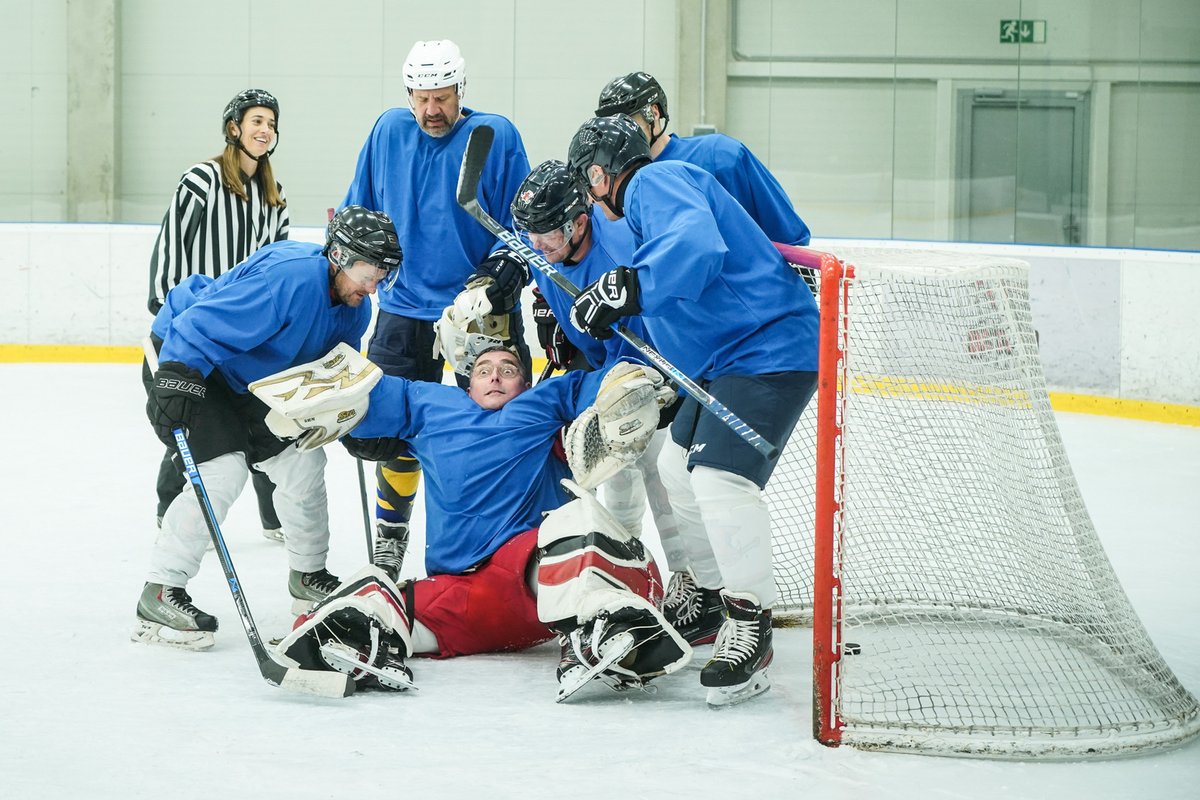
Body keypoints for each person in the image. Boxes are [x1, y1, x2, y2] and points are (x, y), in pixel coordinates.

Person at [260, 344, 689, 700]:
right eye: (484, 370)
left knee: (575, 517)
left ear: (525, 382)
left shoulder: (545, 402)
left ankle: (607, 628)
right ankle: (350, 644)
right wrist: (322, 401)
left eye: (508, 369)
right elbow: (374, 392)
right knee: (374, 592)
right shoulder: (429, 405)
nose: (496, 376)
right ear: (469, 383)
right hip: (465, 596)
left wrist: (624, 383)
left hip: (537, 582)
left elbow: (594, 384)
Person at [565, 114, 820, 707]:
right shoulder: (636, 212)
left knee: (719, 480)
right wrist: (612, 303)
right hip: (724, 361)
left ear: (602, 176)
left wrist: (627, 287)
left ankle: (749, 623)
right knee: (677, 467)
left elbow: (696, 247)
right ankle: (707, 597)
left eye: (587, 182)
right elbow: (661, 288)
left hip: (768, 347)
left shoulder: (657, 182)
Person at [132, 206, 403, 652]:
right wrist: (177, 376)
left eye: (383, 272)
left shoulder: (355, 307)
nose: (374, 283)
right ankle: (159, 590)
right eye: (368, 269)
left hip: (251, 380)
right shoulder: (290, 280)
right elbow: (197, 325)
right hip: (191, 357)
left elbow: (331, 368)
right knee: (224, 472)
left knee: (304, 462)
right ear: (338, 255)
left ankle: (307, 576)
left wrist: (339, 409)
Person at [509, 160, 722, 648]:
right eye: (531, 234)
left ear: (579, 221)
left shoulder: (619, 249)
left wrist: (660, 383)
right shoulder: (552, 252)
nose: (536, 245)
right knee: (617, 478)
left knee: (664, 479)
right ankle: (624, 574)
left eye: (544, 235)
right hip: (610, 377)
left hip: (659, 377)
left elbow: (668, 317)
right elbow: (553, 282)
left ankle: (694, 584)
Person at [341, 39, 533, 578]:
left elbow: (523, 223)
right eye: (422, 98)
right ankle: (392, 534)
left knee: (497, 424)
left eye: (443, 98)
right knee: (392, 427)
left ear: (460, 91)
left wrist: (499, 275)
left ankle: (495, 540)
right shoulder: (387, 132)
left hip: (481, 311)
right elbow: (361, 208)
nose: (432, 111)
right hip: (404, 308)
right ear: (408, 94)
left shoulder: (493, 135)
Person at [146, 89, 290, 544]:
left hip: (248, 330)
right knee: (198, 417)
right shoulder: (201, 180)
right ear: (234, 128)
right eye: (256, 121)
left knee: (266, 414)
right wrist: (169, 314)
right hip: (198, 325)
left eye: (270, 123)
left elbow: (277, 263)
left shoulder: (274, 196)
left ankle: (273, 515)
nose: (264, 130)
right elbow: (171, 245)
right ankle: (170, 506)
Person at [594, 71, 812, 249]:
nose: (623, 135)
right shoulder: (612, 187)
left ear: (654, 113)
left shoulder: (720, 155)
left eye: (629, 123)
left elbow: (786, 234)